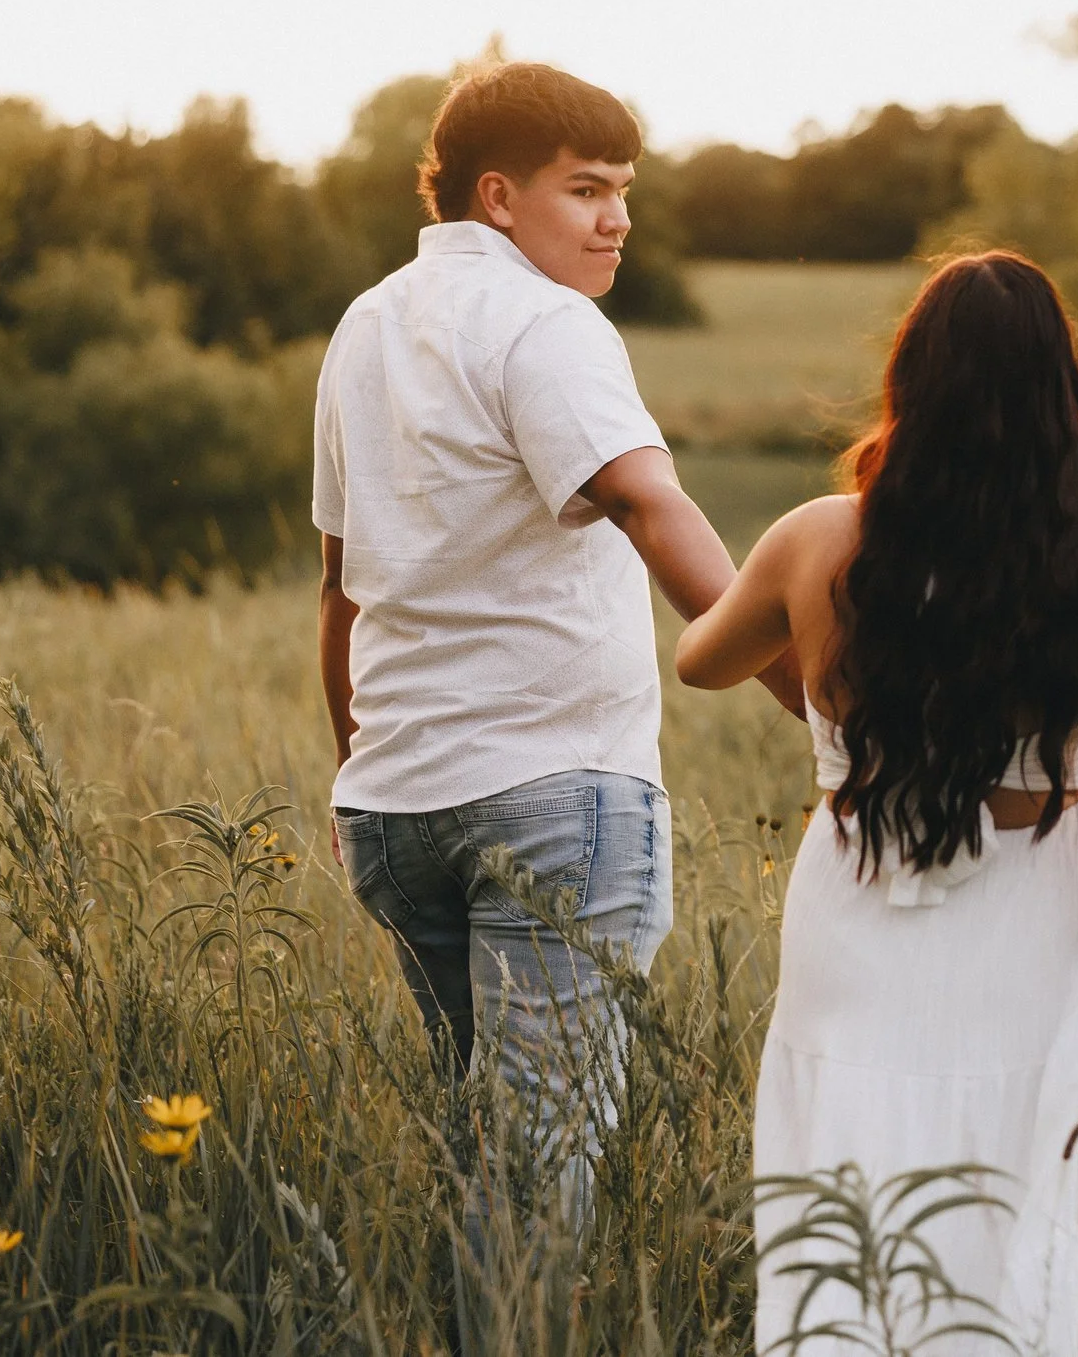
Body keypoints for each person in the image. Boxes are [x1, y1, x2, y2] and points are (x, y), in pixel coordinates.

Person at [311, 62, 801, 1246]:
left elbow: (339, 587)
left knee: (478, 1153)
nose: (617, 218)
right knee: (539, 1185)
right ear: (496, 195)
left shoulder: (365, 324)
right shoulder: (547, 321)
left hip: (395, 810)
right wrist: (822, 699)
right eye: (586, 190)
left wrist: (358, 769)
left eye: (624, 190)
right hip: (550, 800)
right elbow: (652, 506)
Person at [676, 249, 1078, 1356]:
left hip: (860, 899)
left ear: (909, 384)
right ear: (1063, 397)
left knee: (857, 1159)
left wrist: (825, 710)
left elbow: (700, 657)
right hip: (1043, 911)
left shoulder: (816, 539)